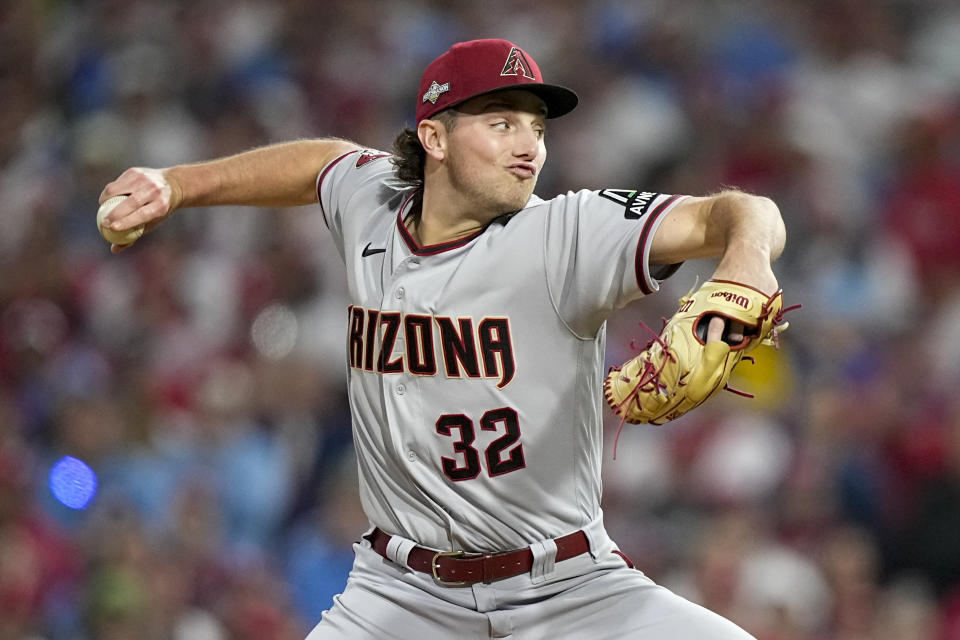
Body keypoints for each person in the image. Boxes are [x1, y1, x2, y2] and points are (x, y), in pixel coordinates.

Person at [100, 39, 785, 639]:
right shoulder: (373, 204)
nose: (529, 147)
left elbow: (741, 212)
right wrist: (176, 185)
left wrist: (747, 264)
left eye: (536, 127)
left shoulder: (566, 235)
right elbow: (322, 165)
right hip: (399, 595)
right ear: (434, 138)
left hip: (568, 588)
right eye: (501, 122)